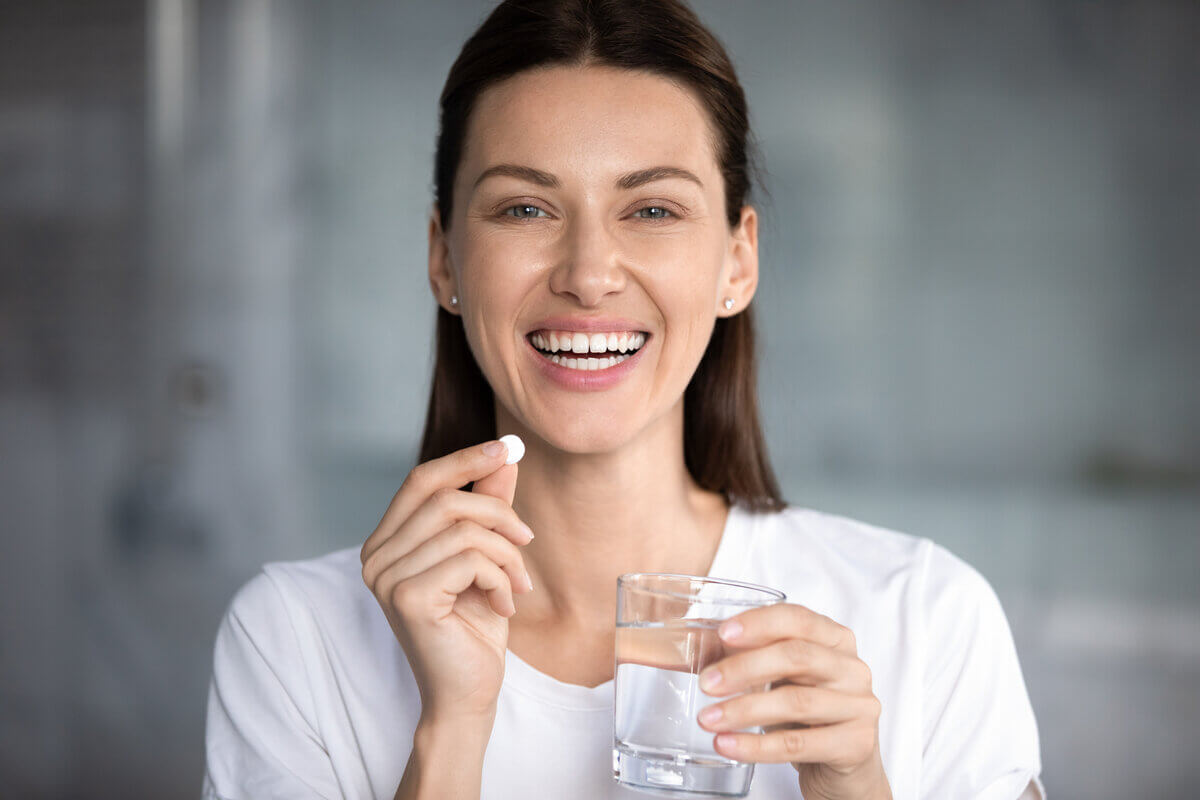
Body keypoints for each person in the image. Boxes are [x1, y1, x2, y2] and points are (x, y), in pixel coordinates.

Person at [202, 1, 1044, 798]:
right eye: (525, 208)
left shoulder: (924, 616)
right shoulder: (294, 640)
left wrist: (855, 788)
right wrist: (450, 731)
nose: (589, 274)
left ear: (737, 262)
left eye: (652, 209)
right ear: (445, 260)